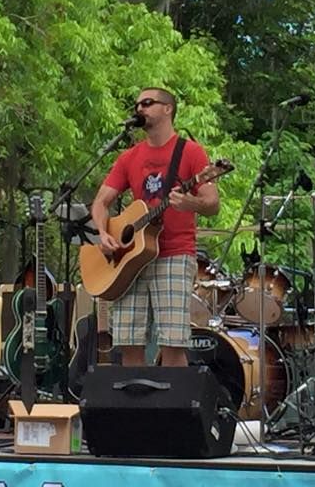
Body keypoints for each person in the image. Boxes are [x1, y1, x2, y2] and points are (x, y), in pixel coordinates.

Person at [90, 88, 220, 367]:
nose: (140, 109)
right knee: (128, 343)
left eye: (147, 103)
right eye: (137, 104)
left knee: (172, 344)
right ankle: (135, 397)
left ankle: (177, 397)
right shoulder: (129, 157)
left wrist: (191, 202)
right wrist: (103, 233)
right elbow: (101, 202)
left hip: (174, 254)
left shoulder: (191, 152)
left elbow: (212, 203)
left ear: (167, 109)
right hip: (129, 259)